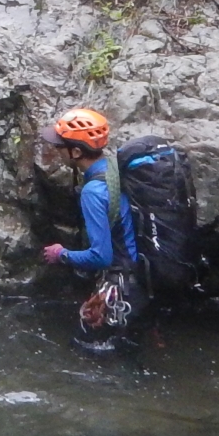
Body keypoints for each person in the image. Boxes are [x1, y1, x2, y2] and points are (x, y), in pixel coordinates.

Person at [37, 107, 143, 354]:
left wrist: (61, 254)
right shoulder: (113, 168)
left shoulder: (93, 192)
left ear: (76, 151)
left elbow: (101, 256)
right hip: (140, 281)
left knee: (85, 350)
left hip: (121, 286)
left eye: (60, 145)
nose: (56, 150)